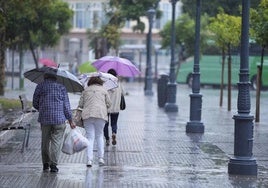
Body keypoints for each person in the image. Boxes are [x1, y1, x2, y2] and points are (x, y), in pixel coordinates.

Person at [32, 72, 76, 173]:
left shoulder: (40, 86)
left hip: (45, 119)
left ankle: (45, 164)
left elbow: (35, 103)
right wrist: (70, 120)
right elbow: (66, 106)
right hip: (59, 119)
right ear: (56, 77)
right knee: (56, 142)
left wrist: (42, 108)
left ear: (45, 76)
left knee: (45, 142)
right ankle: (54, 165)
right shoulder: (61, 87)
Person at [77, 76, 111, 167]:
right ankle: (101, 158)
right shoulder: (104, 90)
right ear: (100, 82)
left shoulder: (85, 90)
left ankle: (89, 160)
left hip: (88, 115)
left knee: (90, 137)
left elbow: (80, 104)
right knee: (99, 136)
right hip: (100, 115)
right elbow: (109, 103)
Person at [104, 69, 124, 146]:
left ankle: (107, 139)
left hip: (106, 108)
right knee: (114, 123)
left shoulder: (105, 84)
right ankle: (114, 133)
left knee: (105, 124)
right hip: (116, 108)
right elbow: (123, 93)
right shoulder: (119, 84)